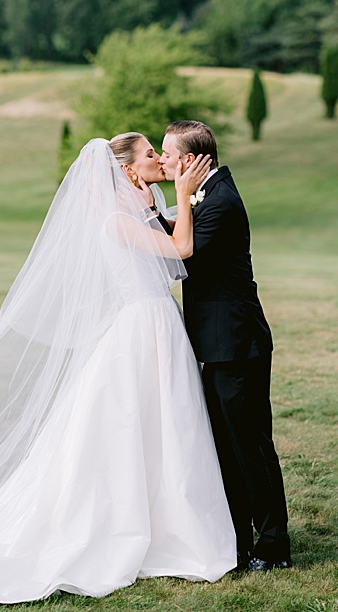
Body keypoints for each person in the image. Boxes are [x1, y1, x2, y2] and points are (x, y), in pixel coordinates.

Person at [0, 139, 235, 602]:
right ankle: (126, 527)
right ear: (127, 171)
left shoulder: (139, 211)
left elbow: (163, 265)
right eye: (149, 155)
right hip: (140, 330)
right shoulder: (115, 220)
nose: (158, 161)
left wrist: (163, 204)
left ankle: (171, 521)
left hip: (159, 324)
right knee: (131, 427)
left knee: (168, 427)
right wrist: (185, 194)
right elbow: (181, 248)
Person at [158, 120, 291, 572]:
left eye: (170, 156)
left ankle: (273, 547)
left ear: (193, 161)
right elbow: (177, 231)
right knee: (227, 448)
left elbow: (180, 251)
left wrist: (163, 206)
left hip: (236, 347)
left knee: (250, 447)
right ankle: (236, 539)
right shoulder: (208, 196)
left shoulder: (220, 204)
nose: (163, 162)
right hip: (217, 347)